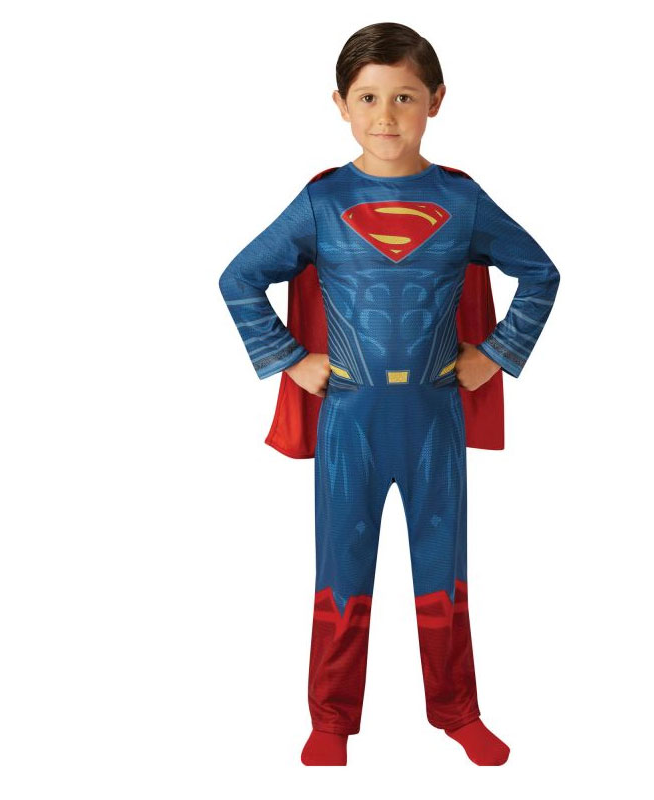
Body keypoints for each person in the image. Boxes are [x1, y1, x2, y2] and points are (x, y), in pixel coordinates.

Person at [218, 22, 560, 766]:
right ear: (341, 104)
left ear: (435, 100)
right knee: (342, 573)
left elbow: (541, 273)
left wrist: (495, 355)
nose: (385, 115)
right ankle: (331, 720)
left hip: (434, 418)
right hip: (350, 422)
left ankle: (458, 713)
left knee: (443, 572)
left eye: (404, 96)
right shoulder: (323, 201)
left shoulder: (461, 200)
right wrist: (290, 359)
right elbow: (239, 277)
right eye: (368, 97)